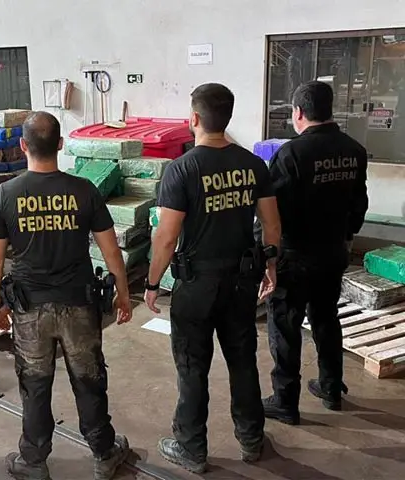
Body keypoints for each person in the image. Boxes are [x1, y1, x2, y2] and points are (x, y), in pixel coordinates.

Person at [0, 111, 132, 480]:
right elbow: (111, 250)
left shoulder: (6, 194)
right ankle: (103, 452)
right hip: (79, 304)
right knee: (89, 378)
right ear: (61, 144)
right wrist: (123, 293)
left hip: (29, 308)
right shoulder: (84, 191)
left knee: (34, 384)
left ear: (22, 145)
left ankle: (34, 461)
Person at [144, 83, 281, 474]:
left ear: (194, 118)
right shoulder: (253, 165)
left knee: (192, 367)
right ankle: (251, 439)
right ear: (228, 117)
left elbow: (166, 237)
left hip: (196, 286)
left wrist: (152, 283)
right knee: (242, 361)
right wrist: (271, 266)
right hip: (241, 282)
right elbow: (272, 225)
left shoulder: (182, 169)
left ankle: (191, 448)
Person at [262, 81, 368, 423]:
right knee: (326, 318)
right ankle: (331, 388)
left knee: (285, 325)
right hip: (334, 252)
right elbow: (359, 203)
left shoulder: (291, 154)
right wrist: (346, 236)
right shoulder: (354, 150)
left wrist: (268, 256)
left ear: (298, 112)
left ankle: (285, 400)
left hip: (294, 257)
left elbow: (271, 213)